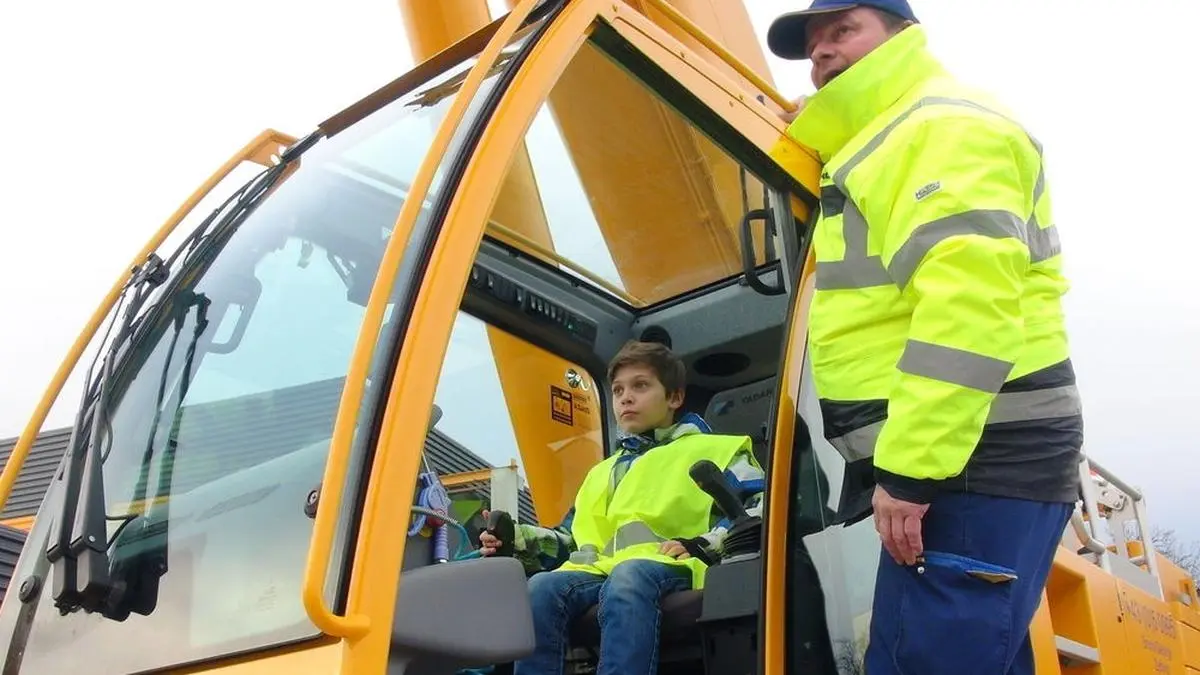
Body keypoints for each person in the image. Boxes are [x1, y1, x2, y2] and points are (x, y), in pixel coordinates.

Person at [765, 2, 1084, 674]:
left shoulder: (938, 125)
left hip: (970, 459)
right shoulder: (887, 139)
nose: (820, 51)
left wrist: (909, 472)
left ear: (903, 36)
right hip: (966, 457)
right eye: (813, 44)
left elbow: (968, 307)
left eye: (842, 30)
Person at [478, 339, 763, 675]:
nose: (625, 397)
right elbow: (573, 540)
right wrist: (518, 539)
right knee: (539, 589)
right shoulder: (602, 472)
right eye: (617, 390)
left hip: (675, 565)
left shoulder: (718, 450)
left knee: (628, 579)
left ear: (674, 397)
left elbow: (757, 511)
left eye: (640, 386)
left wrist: (702, 545)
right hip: (602, 571)